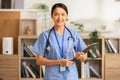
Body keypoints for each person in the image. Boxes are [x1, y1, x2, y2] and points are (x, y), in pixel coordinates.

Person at [32, 3, 87, 80]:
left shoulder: (74, 34)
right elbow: (39, 61)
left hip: (71, 76)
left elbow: (84, 58)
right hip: (52, 76)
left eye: (63, 14)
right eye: (56, 14)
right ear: (52, 16)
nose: (60, 17)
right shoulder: (45, 35)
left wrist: (81, 56)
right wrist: (59, 62)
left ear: (66, 16)